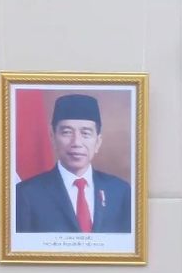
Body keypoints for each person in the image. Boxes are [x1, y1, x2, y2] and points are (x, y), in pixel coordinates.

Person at [15, 94, 131, 233]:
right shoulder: (26, 194)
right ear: (52, 137)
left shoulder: (120, 191)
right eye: (67, 132)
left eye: (85, 133)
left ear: (98, 142)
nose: (76, 142)